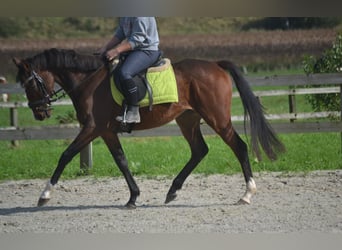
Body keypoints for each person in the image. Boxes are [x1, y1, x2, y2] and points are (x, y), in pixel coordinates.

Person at [99, 17, 161, 123]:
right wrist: (105, 48)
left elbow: (138, 39)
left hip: (147, 51)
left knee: (125, 73)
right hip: (133, 50)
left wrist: (116, 51)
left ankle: (134, 111)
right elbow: (120, 34)